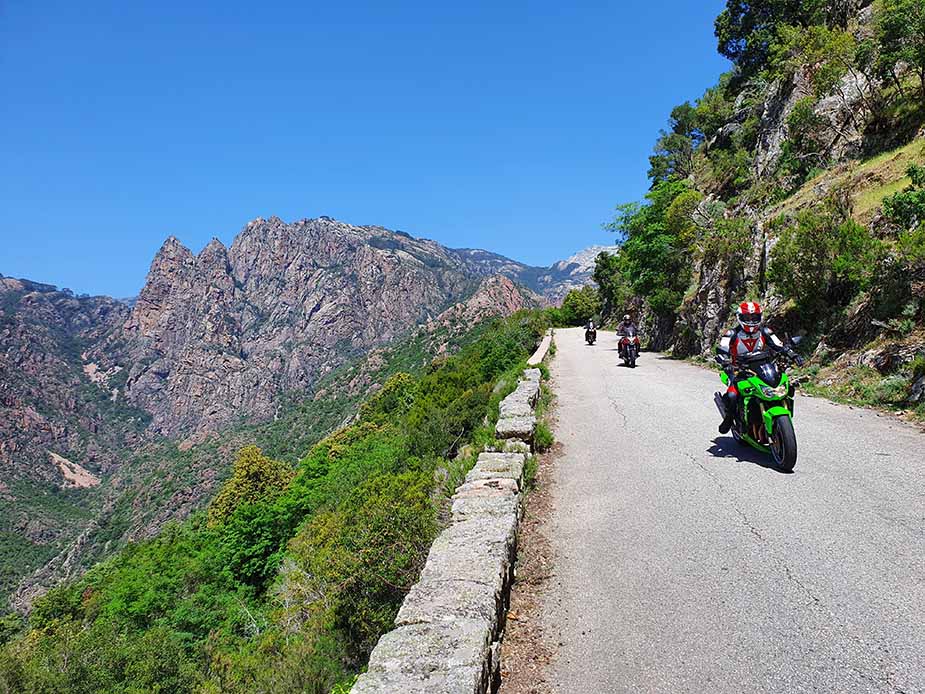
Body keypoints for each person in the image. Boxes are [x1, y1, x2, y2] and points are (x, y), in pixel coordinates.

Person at [716, 301, 803, 434]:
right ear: (740, 317)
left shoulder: (765, 331)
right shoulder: (731, 334)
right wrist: (724, 360)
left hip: (763, 367)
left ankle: (781, 421)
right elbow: (722, 348)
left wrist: (793, 354)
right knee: (733, 395)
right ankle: (729, 421)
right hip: (738, 370)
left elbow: (779, 345)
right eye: (748, 318)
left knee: (787, 387)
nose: (751, 321)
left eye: (754, 317)